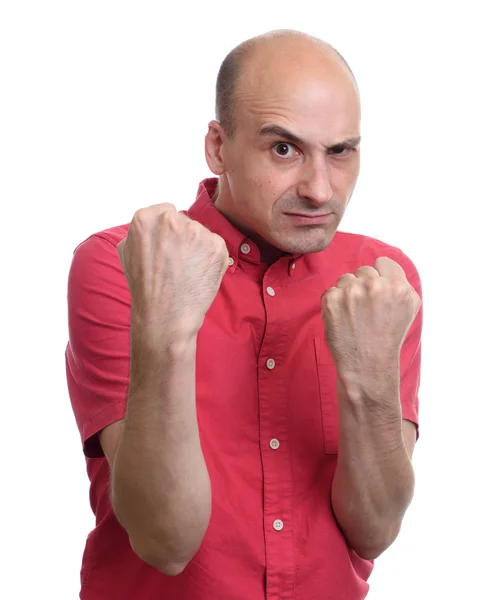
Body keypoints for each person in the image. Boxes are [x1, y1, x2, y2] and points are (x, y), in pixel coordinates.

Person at [66, 29, 423, 600]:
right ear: (217, 147)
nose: (318, 189)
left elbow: (375, 531)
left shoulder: (381, 280)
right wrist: (167, 331)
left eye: (340, 151)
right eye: (284, 149)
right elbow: (164, 540)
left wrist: (370, 383)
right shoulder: (123, 264)